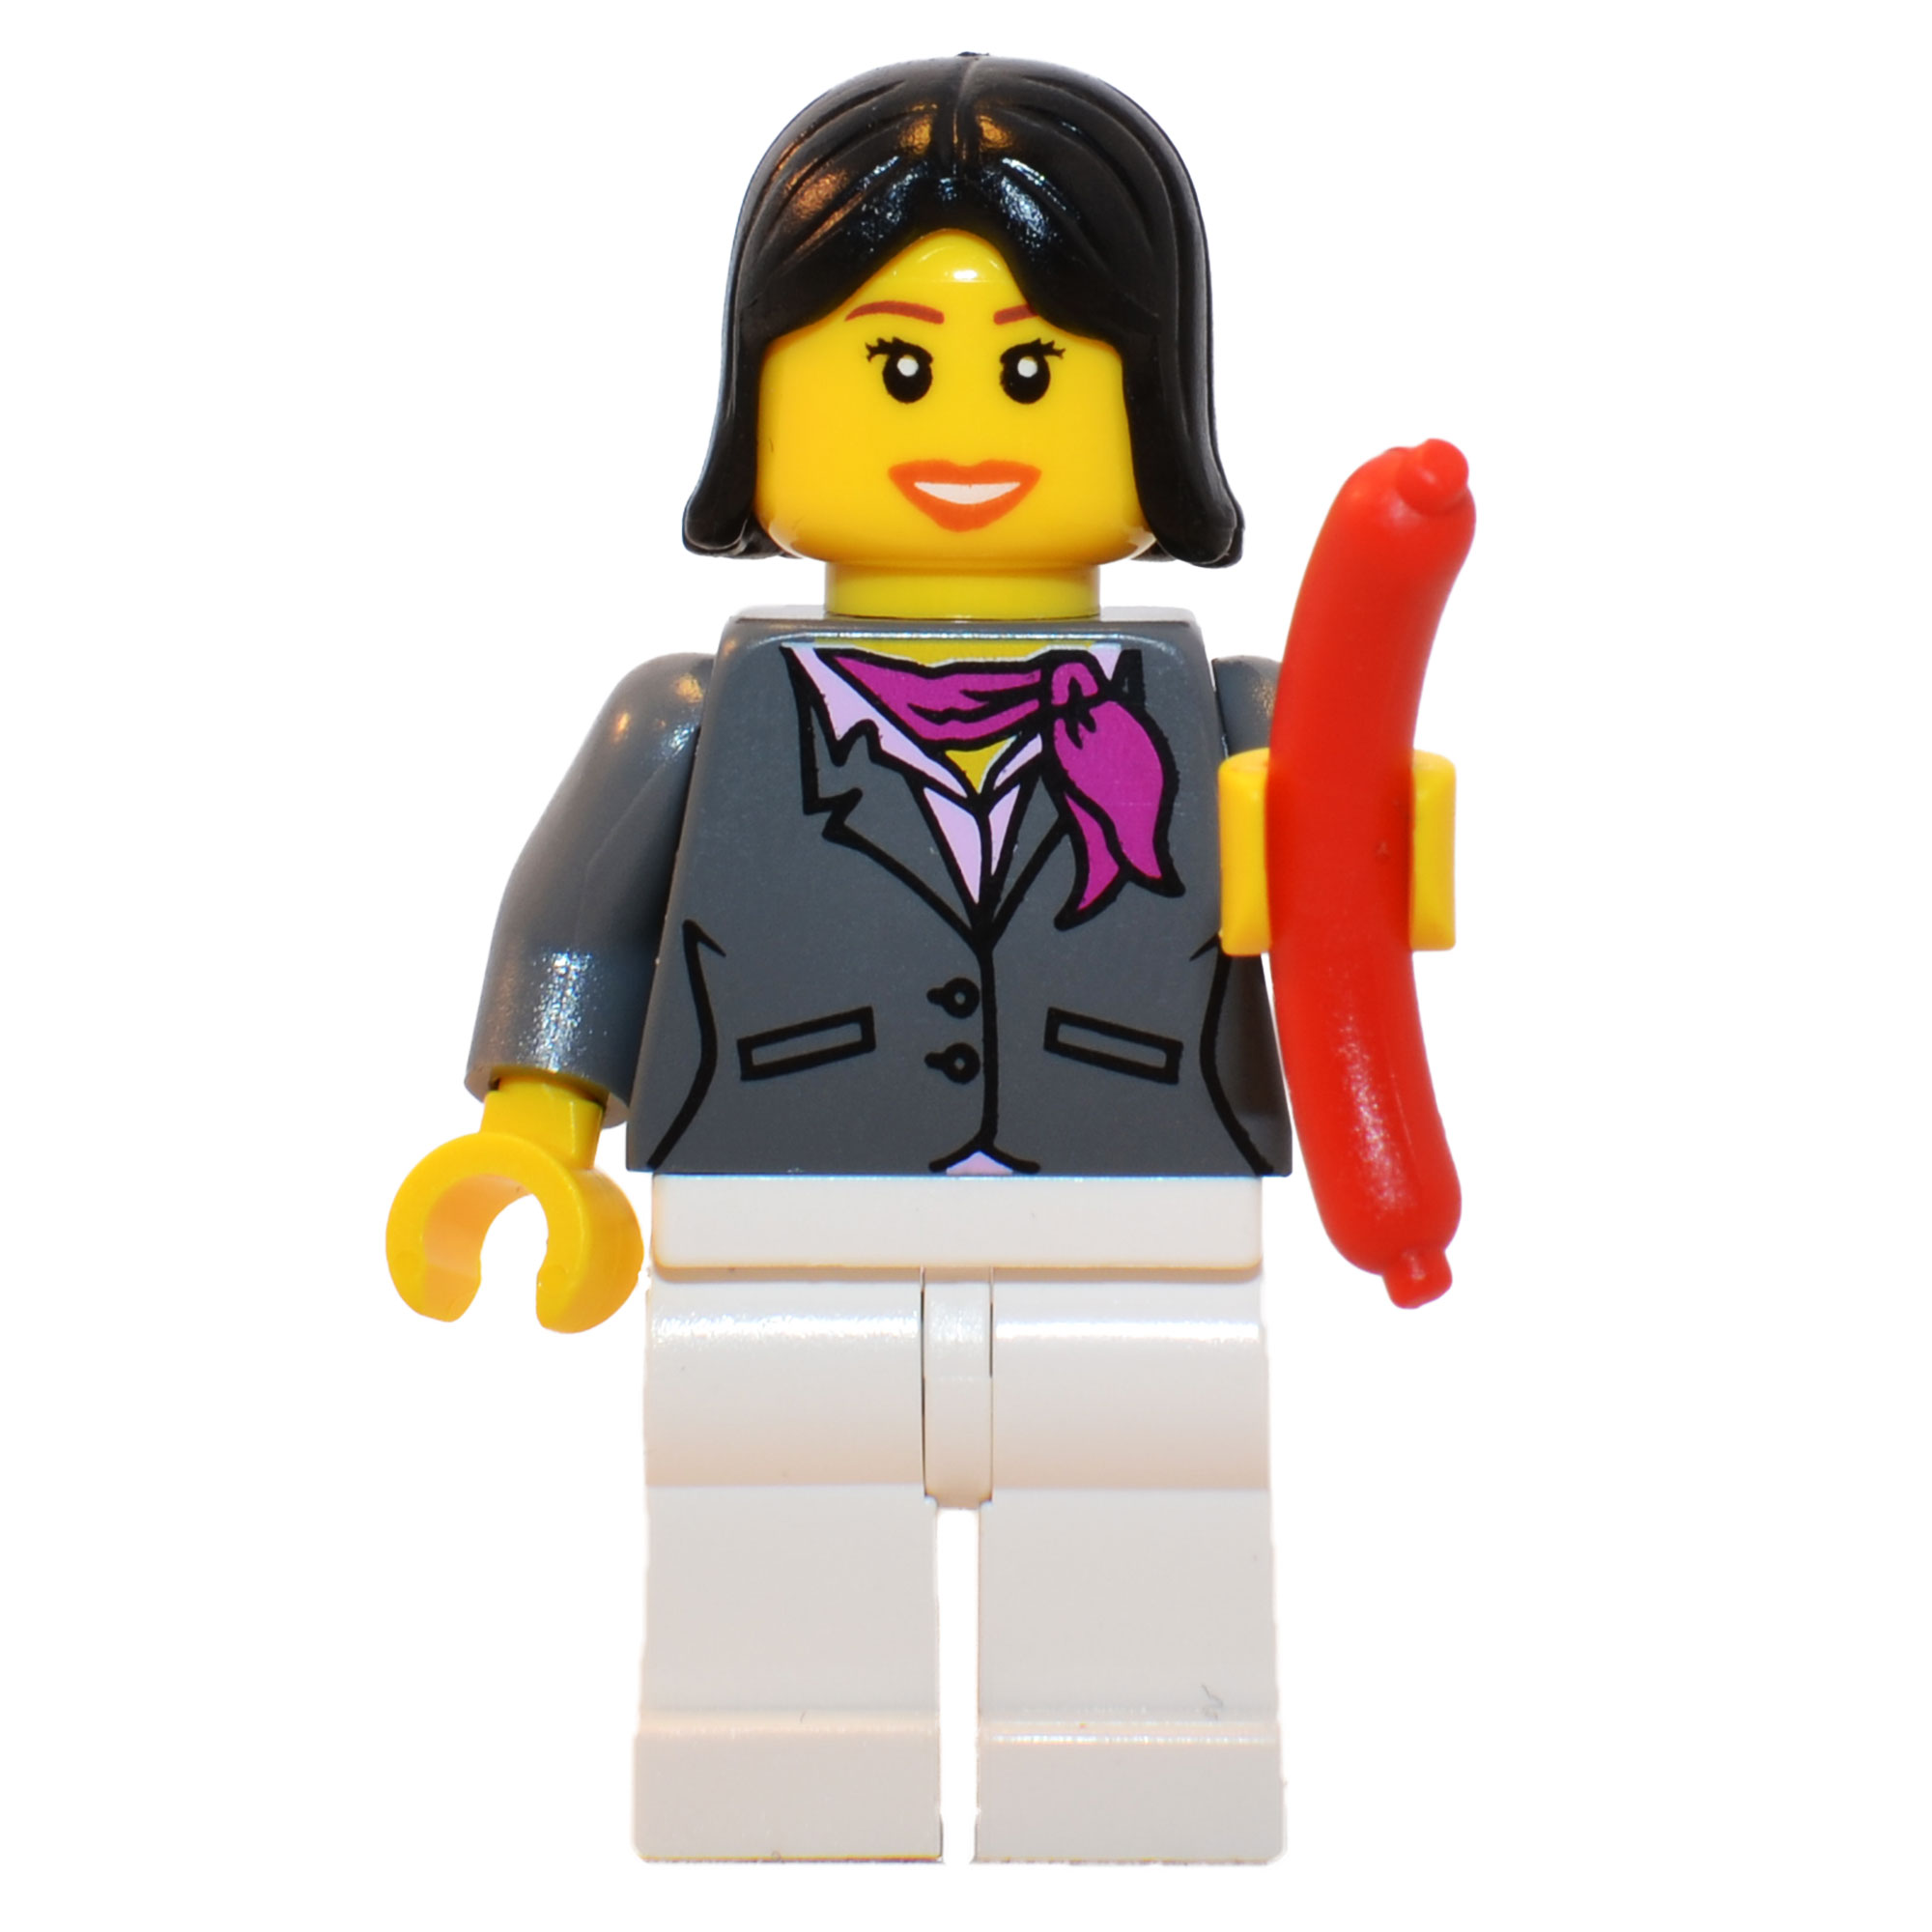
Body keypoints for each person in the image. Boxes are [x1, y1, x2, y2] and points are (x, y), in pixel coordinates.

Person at [390, 54, 1297, 1861]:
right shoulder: (693, 714)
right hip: (773, 1213)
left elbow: (1348, 919)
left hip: (1136, 1212)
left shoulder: (1227, 720)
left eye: (1031, 371)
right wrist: (535, 1134)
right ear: (767, 402)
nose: (963, 427)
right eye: (895, 367)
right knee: (768, 1515)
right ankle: (779, 1785)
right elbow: (577, 926)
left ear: (1158, 410)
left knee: (1150, 1503)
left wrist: (1361, 849)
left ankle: (1143, 1779)